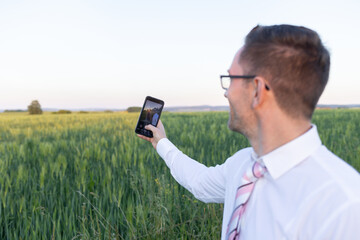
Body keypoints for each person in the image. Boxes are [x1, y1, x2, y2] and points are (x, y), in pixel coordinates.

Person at [137, 24, 360, 240]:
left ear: (257, 90)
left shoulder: (344, 206)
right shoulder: (243, 164)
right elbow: (200, 182)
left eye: (230, 79)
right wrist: (161, 143)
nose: (226, 94)